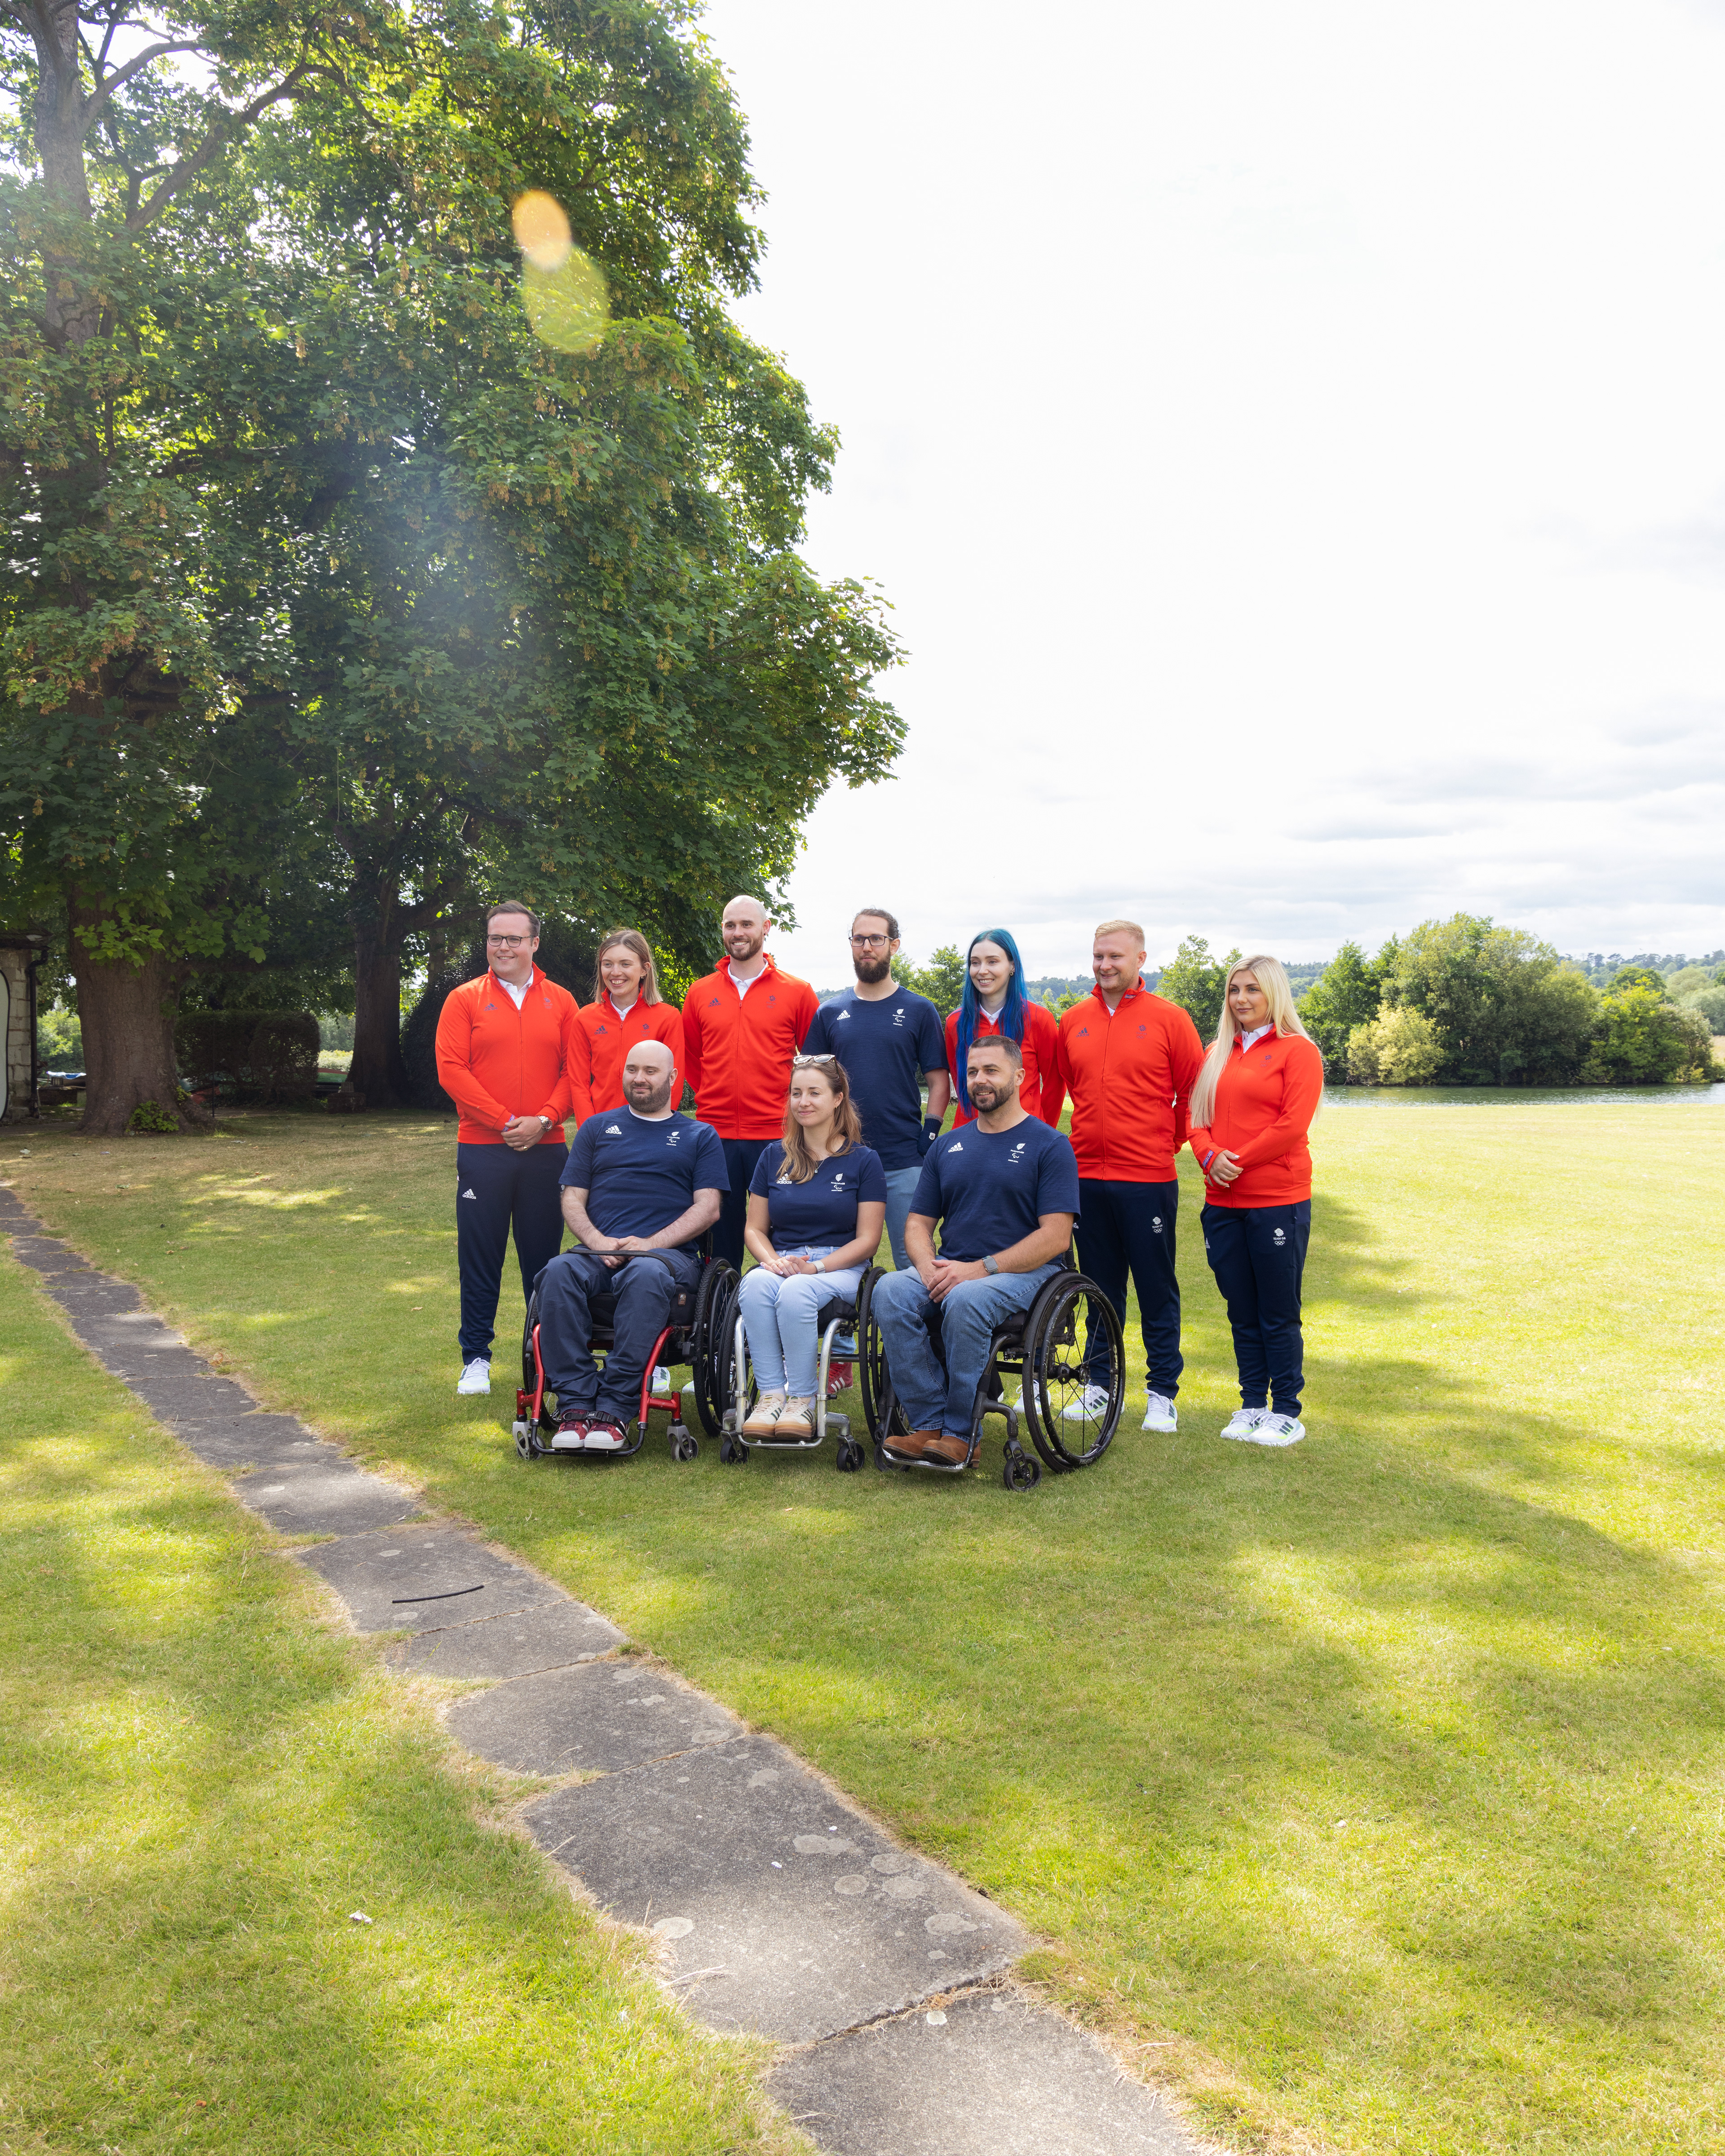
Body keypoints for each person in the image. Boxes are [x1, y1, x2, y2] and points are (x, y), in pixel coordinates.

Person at [869, 1033, 1079, 1467]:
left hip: (1030, 1273)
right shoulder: (948, 1145)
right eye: (971, 1072)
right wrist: (927, 1268)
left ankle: (962, 1433)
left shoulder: (1050, 1145)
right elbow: (917, 1224)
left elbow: (1056, 1236)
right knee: (890, 1290)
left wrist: (980, 1269)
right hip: (956, 1267)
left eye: (991, 1070)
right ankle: (928, 1423)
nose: (979, 1080)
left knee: (966, 1298)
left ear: (1019, 1077)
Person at [535, 1038, 725, 1447]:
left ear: (673, 1078)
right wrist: (597, 1240)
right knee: (556, 1272)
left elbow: (709, 1208)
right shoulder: (596, 1129)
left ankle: (616, 1408)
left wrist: (650, 1244)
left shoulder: (699, 1135)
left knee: (645, 1274)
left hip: (667, 1259)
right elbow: (572, 1198)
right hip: (598, 1251)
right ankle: (575, 1406)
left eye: (651, 1071)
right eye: (632, 1069)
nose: (639, 1078)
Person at [1055, 918, 1205, 1434]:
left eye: (1115, 956)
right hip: (1087, 1179)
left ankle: (1162, 1394)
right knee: (1099, 1287)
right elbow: (1071, 1087)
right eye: (1099, 956)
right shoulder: (1074, 1020)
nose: (1104, 965)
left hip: (1148, 1178)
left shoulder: (1170, 1019)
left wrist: (1167, 1144)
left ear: (1140, 959)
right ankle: (1101, 1385)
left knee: (1156, 1287)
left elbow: (1194, 1093)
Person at [435, 901, 579, 1397]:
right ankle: (476, 1357)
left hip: (547, 1148)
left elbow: (574, 1072)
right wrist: (503, 1122)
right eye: (495, 938)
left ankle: (543, 1359)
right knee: (480, 1258)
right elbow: (452, 1070)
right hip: (483, 1150)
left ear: (534, 943)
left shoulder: (562, 1002)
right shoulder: (464, 999)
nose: (503, 947)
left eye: (514, 939)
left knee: (545, 1264)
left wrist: (545, 1119)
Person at [1186, 955, 1325, 1447]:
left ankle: (1286, 1410)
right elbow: (1195, 1117)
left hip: (1276, 1200)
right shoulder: (1215, 1052)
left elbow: (1291, 1125)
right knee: (1241, 1308)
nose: (1241, 999)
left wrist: (1236, 1161)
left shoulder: (1298, 1051)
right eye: (1235, 990)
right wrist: (1209, 1157)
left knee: (1277, 1310)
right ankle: (1251, 1405)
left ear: (1274, 994)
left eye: (1253, 989)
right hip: (1222, 1204)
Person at [738, 1056, 888, 1439]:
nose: (803, 1102)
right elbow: (755, 1228)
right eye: (796, 1093)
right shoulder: (773, 1156)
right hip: (786, 1261)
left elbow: (868, 1240)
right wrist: (772, 1261)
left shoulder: (864, 1161)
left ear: (838, 1098)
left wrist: (816, 1268)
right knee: (753, 1285)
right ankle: (771, 1396)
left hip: (841, 1267)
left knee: (797, 1290)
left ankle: (802, 1399)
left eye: (814, 1093)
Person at [799, 907, 950, 1270]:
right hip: (841, 1157)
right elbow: (808, 1082)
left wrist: (929, 1136)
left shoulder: (919, 1009)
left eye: (876, 939)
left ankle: (916, 1312)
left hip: (903, 1159)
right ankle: (850, 1313)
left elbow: (939, 1080)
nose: (867, 946)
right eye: (859, 939)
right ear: (851, 944)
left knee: (914, 1261)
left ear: (894, 945)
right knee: (836, 1260)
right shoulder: (829, 1012)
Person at [681, 894, 818, 1270]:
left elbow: (815, 1065)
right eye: (731, 925)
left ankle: (771, 1305)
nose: (738, 932)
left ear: (765, 928)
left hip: (778, 1135)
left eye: (747, 924)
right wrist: (714, 1096)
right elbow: (692, 1058)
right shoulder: (700, 992)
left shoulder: (798, 991)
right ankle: (720, 1307)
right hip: (715, 1136)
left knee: (777, 1238)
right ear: (723, 930)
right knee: (719, 1241)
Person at [943, 928, 1065, 1129]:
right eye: (975, 963)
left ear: (1012, 966)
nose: (982, 971)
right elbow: (960, 1078)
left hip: (1024, 1133)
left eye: (992, 962)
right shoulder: (955, 1022)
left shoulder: (1039, 1019)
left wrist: (1041, 1131)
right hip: (969, 1133)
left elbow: (1055, 1085)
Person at [573, 928, 684, 1120]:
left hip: (649, 1127)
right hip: (600, 1126)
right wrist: (589, 1128)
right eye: (608, 964)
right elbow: (578, 1083)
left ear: (644, 969)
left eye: (625, 964)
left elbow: (673, 1082)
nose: (616, 972)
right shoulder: (585, 1018)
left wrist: (656, 1125)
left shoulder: (668, 1017)